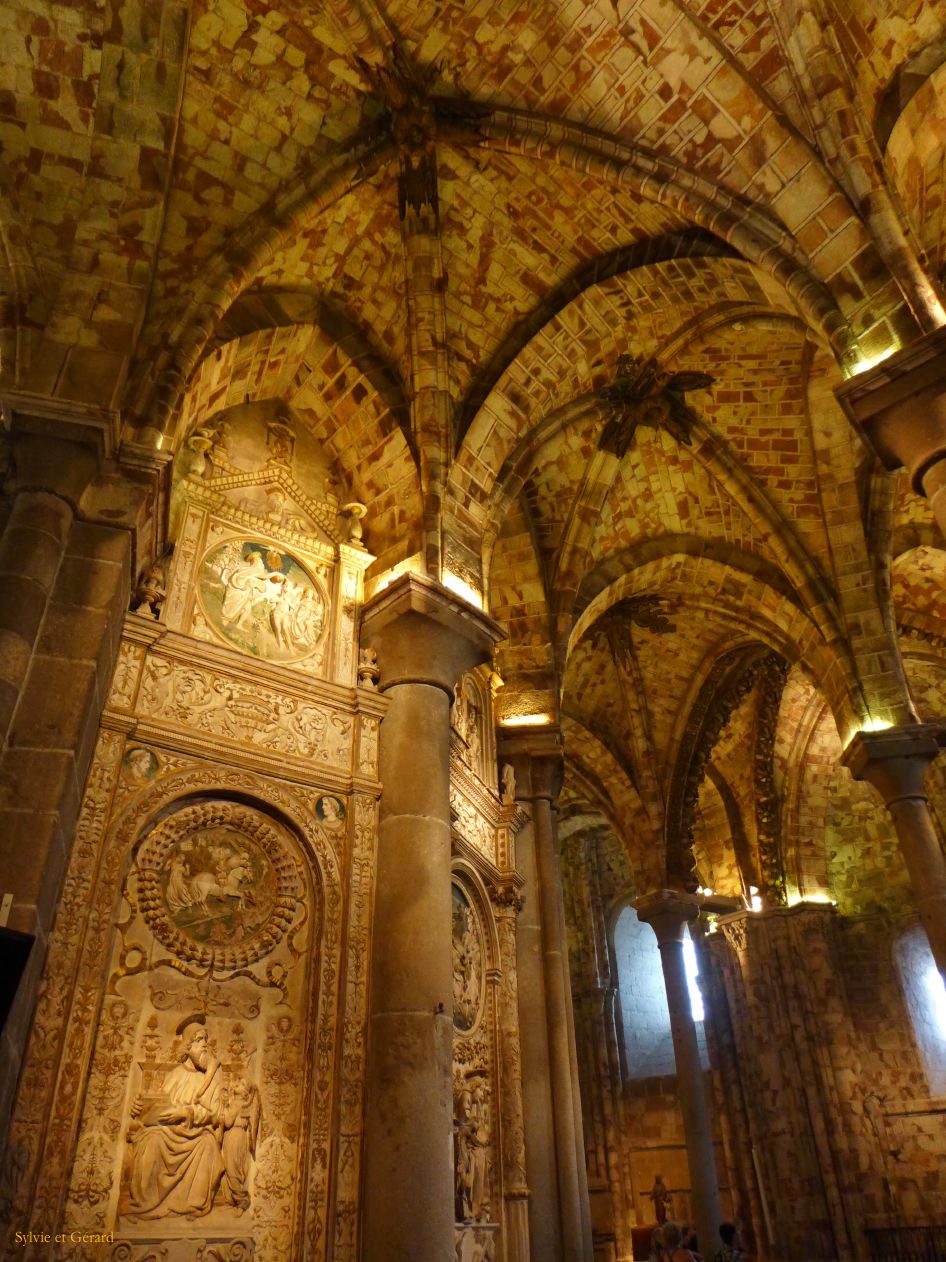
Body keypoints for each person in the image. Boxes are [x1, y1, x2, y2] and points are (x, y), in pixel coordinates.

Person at [126, 1017, 225, 1219]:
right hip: (169, 1131)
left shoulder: (210, 1078)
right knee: (151, 1141)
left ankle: (193, 1204)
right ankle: (146, 1202)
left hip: (196, 1133)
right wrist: (140, 1107)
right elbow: (158, 1103)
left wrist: (187, 1113)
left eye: (205, 1040)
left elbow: (215, 1113)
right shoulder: (175, 1074)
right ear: (188, 1045)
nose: (204, 1045)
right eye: (198, 1040)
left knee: (208, 1145)